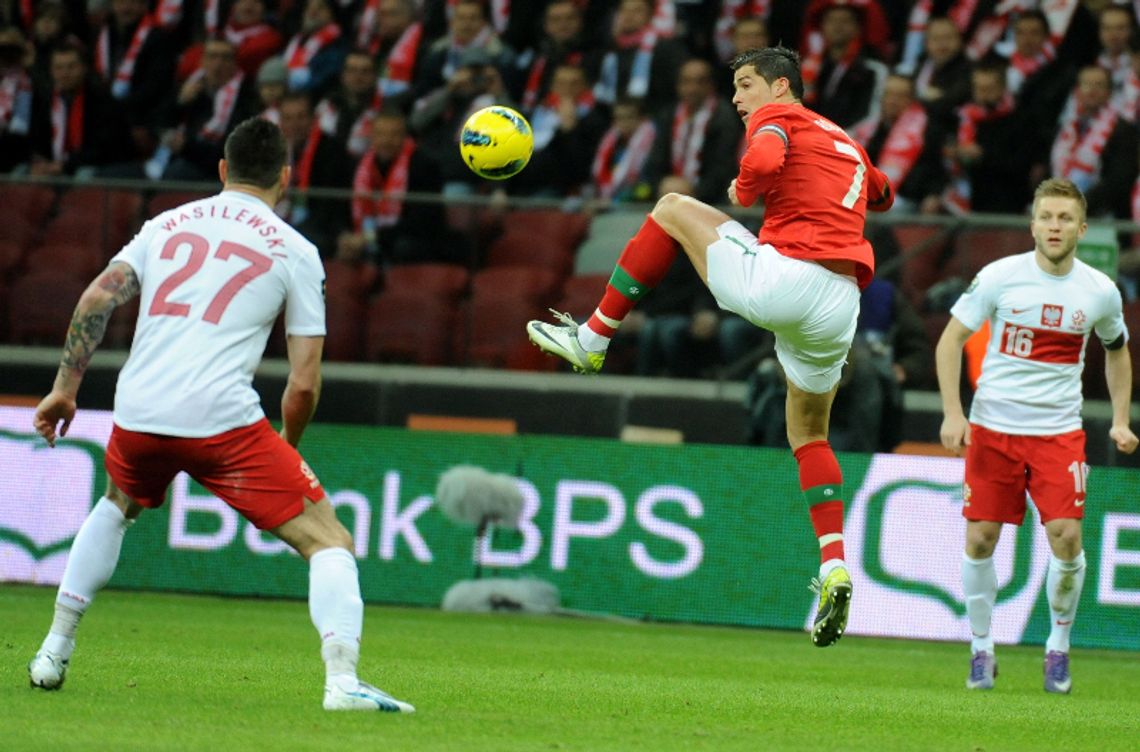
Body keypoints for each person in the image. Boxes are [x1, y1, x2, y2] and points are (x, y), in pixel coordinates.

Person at [26, 117, 414, 713]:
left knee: (116, 505)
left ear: (223, 170)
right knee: (329, 542)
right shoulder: (297, 250)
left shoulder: (164, 226)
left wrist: (63, 388)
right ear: (287, 177)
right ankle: (342, 684)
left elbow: (98, 297)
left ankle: (53, 649)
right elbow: (304, 382)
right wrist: (289, 442)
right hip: (221, 421)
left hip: (140, 409)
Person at [527, 46, 894, 648]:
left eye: (746, 84)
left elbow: (768, 158)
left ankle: (591, 337)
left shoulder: (778, 120)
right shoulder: (844, 138)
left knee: (672, 207)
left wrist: (746, 186)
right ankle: (833, 563)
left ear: (780, 86)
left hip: (787, 278)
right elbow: (880, 193)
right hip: (840, 301)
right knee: (809, 433)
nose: (737, 97)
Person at [935, 178, 1137, 694]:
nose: (1054, 226)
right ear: (1032, 225)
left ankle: (1058, 649)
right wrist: (953, 414)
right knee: (980, 539)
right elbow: (951, 340)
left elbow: (1116, 349)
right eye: (1046, 217)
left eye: (1065, 219)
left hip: (1057, 434)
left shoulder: (1098, 290)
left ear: (1081, 229)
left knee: (1067, 539)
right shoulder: (999, 277)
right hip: (994, 430)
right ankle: (981, 649)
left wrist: (1119, 418)